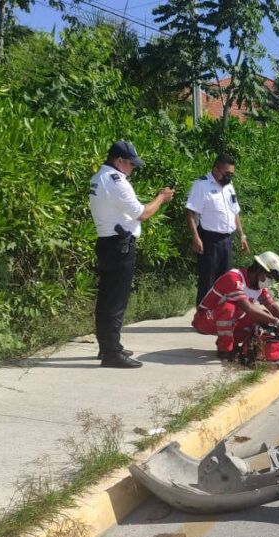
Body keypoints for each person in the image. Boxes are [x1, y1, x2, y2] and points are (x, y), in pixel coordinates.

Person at [90, 140, 174, 368]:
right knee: (116, 302)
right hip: (120, 245)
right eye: (131, 164)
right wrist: (161, 197)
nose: (133, 168)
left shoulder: (99, 177)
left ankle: (107, 346)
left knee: (107, 299)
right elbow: (142, 213)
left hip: (108, 242)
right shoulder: (117, 182)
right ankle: (112, 353)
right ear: (119, 161)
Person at [193, 251, 279, 360]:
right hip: (205, 319)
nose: (269, 281)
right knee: (229, 308)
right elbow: (248, 308)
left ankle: (233, 344)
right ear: (260, 271)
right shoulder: (233, 278)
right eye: (269, 277)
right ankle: (224, 350)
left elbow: (272, 306)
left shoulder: (259, 287)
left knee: (264, 316)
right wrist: (276, 321)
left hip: (223, 320)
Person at [186, 154, 249, 304]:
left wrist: (242, 235)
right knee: (207, 280)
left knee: (226, 281)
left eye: (231, 174)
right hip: (209, 239)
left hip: (226, 240)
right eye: (226, 173)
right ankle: (202, 317)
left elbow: (235, 212)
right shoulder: (202, 185)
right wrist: (195, 237)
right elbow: (190, 212)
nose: (229, 177)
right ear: (216, 169)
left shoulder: (229, 187)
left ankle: (219, 316)